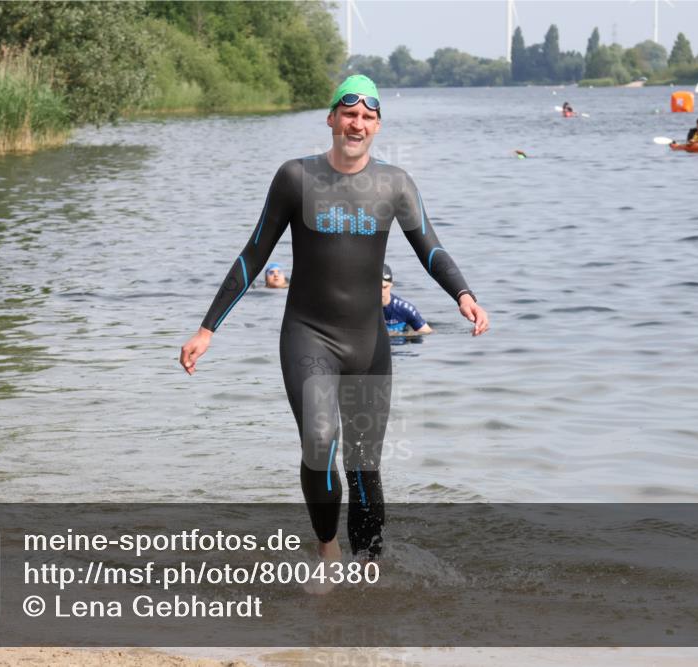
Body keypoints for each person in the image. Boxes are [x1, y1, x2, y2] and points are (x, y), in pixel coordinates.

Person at [179, 74, 489, 569]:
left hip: (368, 343)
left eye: (367, 117)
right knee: (320, 441)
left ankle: (368, 572)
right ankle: (327, 552)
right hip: (309, 335)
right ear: (331, 119)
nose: (357, 123)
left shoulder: (395, 184)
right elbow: (254, 253)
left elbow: (429, 245)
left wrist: (463, 294)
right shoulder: (295, 177)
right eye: (349, 114)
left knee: (365, 467)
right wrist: (207, 328)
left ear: (377, 125)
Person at [381, 264, 431, 335]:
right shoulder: (363, 307)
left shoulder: (404, 308)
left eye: (384, 287)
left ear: (391, 285)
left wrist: (399, 334)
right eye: (377, 287)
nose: (381, 292)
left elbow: (427, 332)